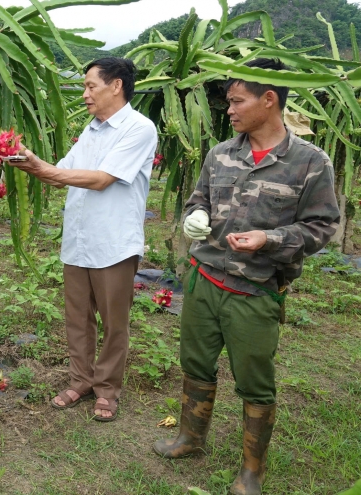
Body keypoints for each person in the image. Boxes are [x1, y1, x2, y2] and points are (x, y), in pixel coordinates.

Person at [152, 58, 340, 495]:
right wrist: (195, 214)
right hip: (203, 279)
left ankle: (252, 470)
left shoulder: (310, 163)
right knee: (195, 363)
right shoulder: (221, 154)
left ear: (268, 100)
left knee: (254, 379)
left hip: (254, 289)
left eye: (237, 101)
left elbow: (322, 226)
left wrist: (269, 238)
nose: (229, 110)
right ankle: (190, 438)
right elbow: (197, 197)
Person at [8, 57, 157, 421]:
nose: (85, 94)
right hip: (78, 241)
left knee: (113, 322)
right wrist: (29, 160)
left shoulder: (138, 129)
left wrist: (47, 169)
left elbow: (102, 178)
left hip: (113, 244)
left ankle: (107, 389)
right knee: (78, 318)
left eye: (91, 86)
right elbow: (63, 172)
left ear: (116, 85)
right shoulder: (91, 131)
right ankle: (81, 380)